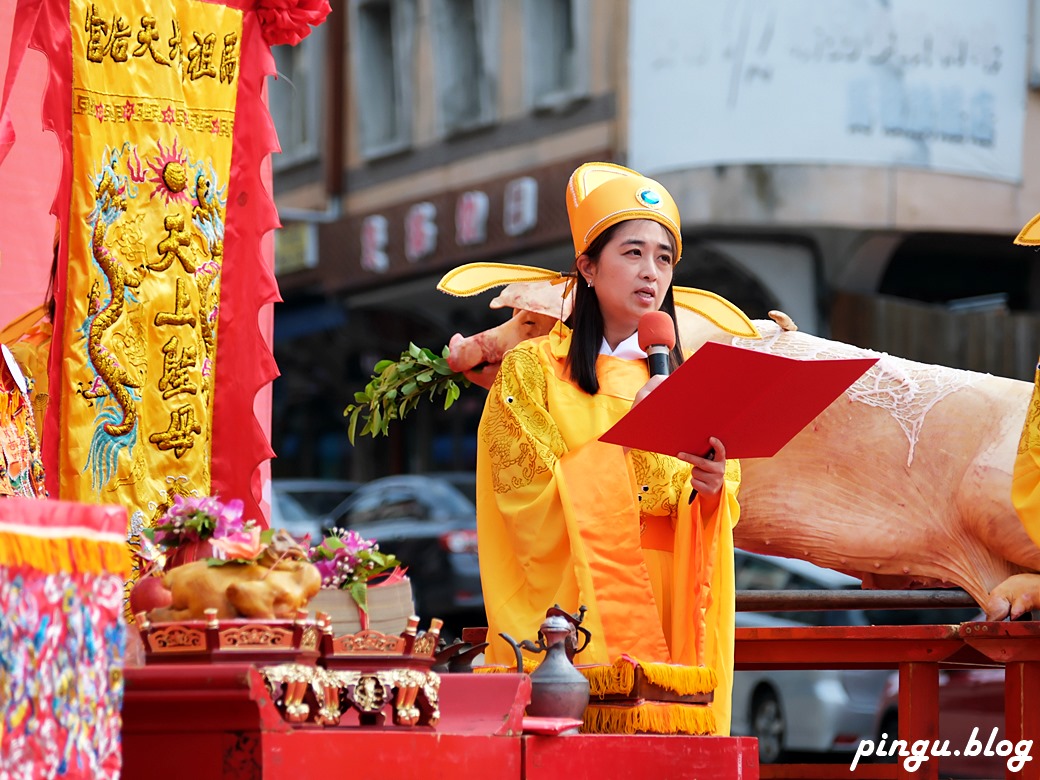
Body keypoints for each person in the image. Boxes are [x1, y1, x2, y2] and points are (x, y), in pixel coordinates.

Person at [475, 162, 741, 735]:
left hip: (669, 594)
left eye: (665, 258)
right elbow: (524, 498)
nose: (652, 273)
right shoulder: (532, 370)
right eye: (633, 253)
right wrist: (631, 433)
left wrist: (713, 491)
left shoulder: (694, 382)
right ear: (588, 267)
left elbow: (711, 506)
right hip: (583, 604)